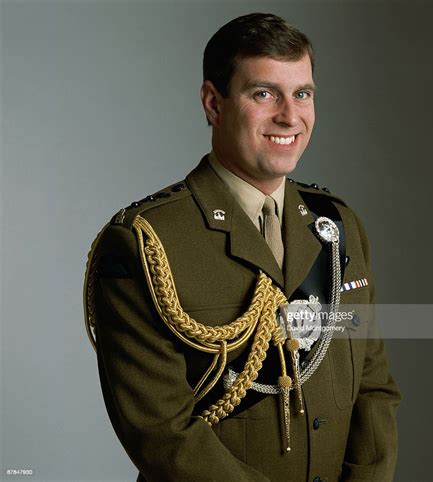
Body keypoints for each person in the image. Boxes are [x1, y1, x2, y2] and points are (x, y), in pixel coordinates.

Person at [84, 13, 401, 482]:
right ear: (214, 104)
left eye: (303, 94)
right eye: (264, 94)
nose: (290, 116)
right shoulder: (145, 243)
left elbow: (373, 387)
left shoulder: (338, 225)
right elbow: (162, 434)